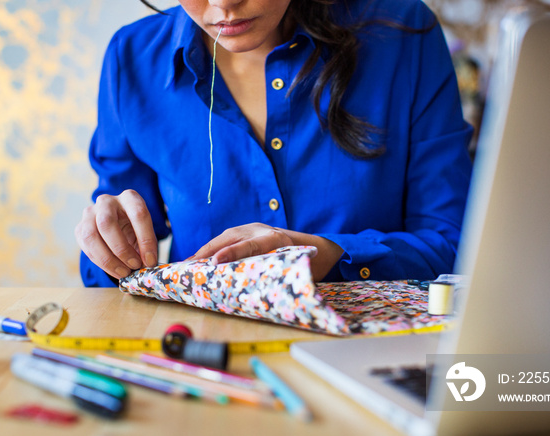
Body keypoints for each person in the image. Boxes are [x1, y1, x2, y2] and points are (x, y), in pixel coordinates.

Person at [76, 0, 473, 287]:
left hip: (371, 352)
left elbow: (454, 244)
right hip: (199, 354)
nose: (224, 3)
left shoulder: (402, 33)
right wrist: (108, 241)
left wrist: (329, 253)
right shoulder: (131, 57)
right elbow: (110, 264)